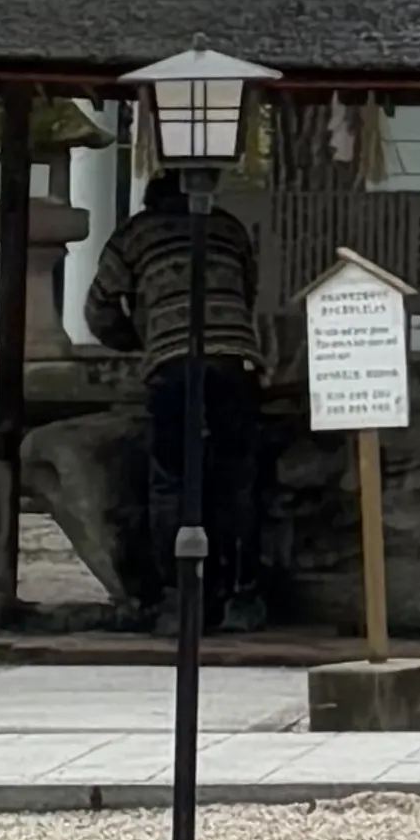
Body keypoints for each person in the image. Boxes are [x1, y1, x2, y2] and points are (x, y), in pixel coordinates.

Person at [86, 169, 271, 624]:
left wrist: (138, 339)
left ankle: (178, 598)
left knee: (171, 479)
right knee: (237, 480)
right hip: (234, 360)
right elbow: (247, 291)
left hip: (173, 362)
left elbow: (99, 307)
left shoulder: (135, 233)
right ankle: (241, 596)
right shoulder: (227, 227)